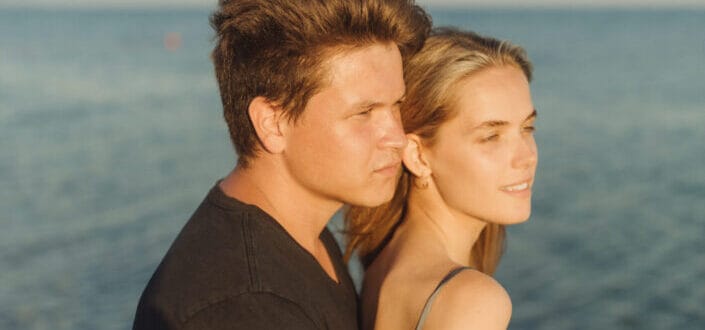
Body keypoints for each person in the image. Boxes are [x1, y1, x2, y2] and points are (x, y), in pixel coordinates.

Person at [132, 1, 430, 329]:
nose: (398, 138)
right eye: (363, 113)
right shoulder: (245, 306)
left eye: (396, 105)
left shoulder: (302, 238)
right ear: (273, 124)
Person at [345, 28, 538, 330]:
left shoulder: (384, 262)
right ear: (418, 155)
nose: (526, 156)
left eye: (527, 129)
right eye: (491, 136)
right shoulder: (472, 301)